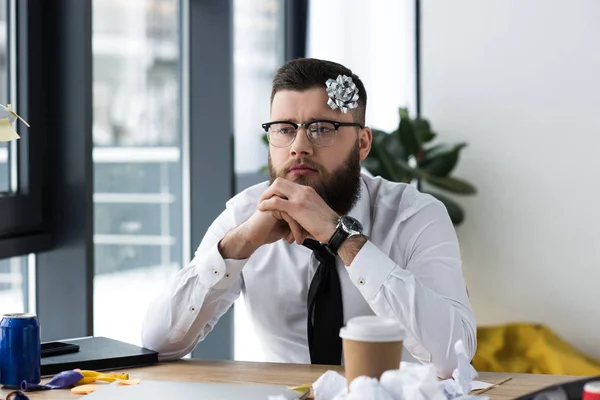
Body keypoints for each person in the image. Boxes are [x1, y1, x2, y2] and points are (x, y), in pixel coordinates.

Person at [141, 58, 476, 378]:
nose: (299, 146)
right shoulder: (245, 213)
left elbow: (453, 357)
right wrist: (239, 243)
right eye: (284, 129)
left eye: (321, 128)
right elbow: (158, 344)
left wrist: (342, 238)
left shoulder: (415, 215)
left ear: (362, 143)